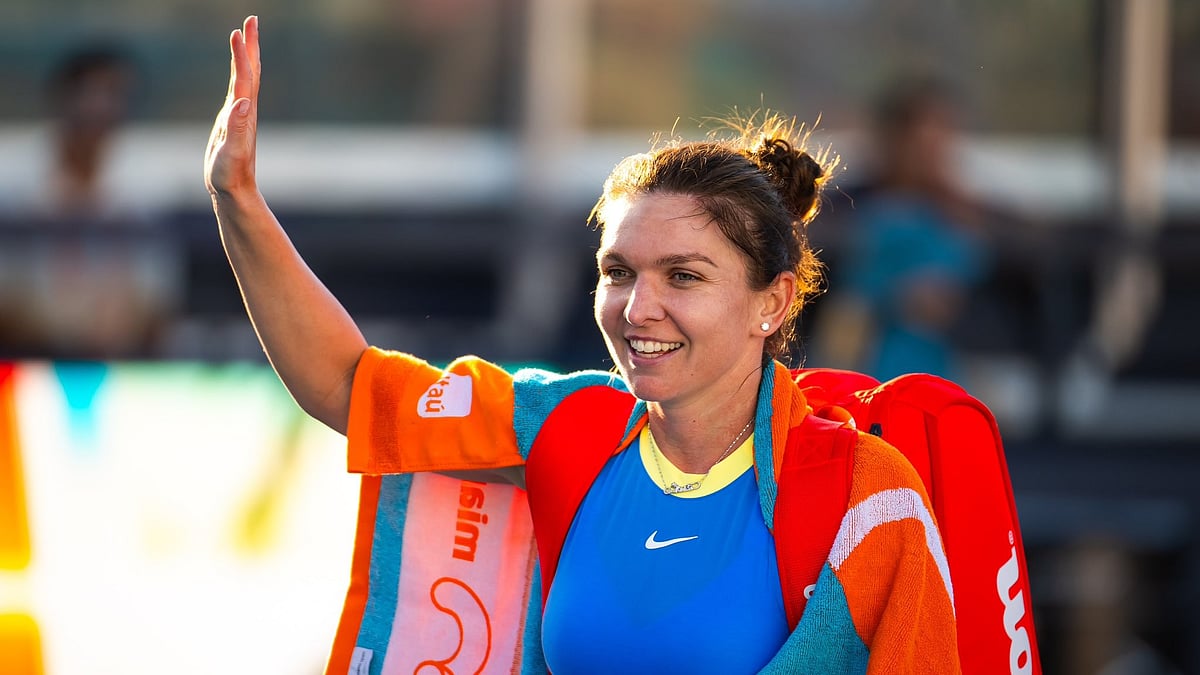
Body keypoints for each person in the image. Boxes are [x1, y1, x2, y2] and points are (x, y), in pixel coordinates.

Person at [205, 16, 960, 673]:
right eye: (618, 271)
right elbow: (348, 384)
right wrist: (237, 199)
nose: (640, 307)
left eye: (684, 276)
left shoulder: (866, 492)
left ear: (773, 302)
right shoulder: (570, 424)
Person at [813, 77, 987, 382]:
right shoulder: (846, 207)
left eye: (940, 144)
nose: (932, 158)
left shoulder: (959, 215)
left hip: (940, 369)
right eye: (920, 145)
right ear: (890, 140)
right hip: (861, 367)